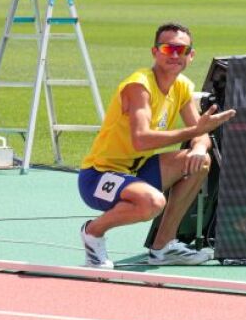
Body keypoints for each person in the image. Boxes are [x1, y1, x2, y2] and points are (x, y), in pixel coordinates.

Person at [77, 22, 236, 268]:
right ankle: (93, 231)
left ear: (191, 55)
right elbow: (141, 139)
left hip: (136, 171)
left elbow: (201, 134)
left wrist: (198, 146)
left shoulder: (182, 86)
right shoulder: (139, 86)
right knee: (153, 203)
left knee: (201, 161)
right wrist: (195, 131)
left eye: (181, 50)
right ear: (155, 52)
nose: (175, 55)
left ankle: (164, 246)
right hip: (98, 176)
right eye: (168, 48)